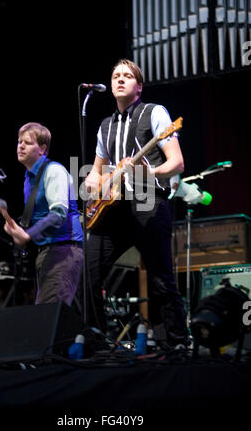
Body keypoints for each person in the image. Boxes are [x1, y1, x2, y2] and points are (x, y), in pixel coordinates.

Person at [83, 59, 188, 346]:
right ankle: (96, 340)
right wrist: (92, 183)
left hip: (147, 203)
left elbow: (177, 163)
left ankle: (178, 341)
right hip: (114, 210)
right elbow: (96, 170)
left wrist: (146, 172)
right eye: (115, 75)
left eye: (127, 76)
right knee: (87, 273)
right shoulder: (105, 127)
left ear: (138, 86)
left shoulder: (154, 113)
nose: (119, 79)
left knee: (160, 279)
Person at [3, 122, 83, 307]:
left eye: (27, 143)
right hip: (47, 253)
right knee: (49, 316)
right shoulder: (29, 178)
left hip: (63, 251)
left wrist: (28, 234)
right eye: (19, 142)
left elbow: (58, 215)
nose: (20, 146)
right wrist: (16, 228)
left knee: (49, 316)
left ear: (42, 149)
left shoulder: (54, 171)